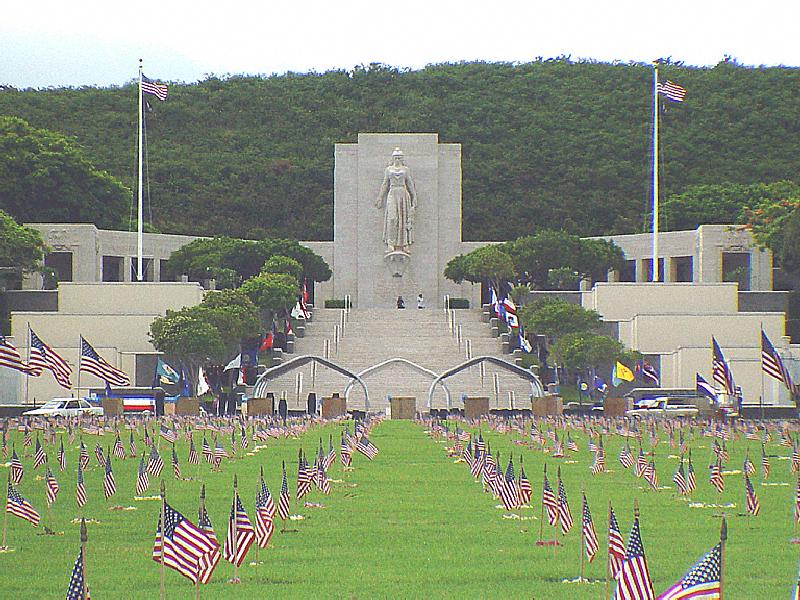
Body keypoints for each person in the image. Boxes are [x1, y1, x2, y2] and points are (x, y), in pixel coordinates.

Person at [376, 147, 416, 253]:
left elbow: (410, 183)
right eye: (396, 157)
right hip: (392, 193)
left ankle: (404, 243)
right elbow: (385, 184)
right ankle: (391, 243)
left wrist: (414, 197)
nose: (397, 159)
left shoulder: (406, 170)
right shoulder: (388, 170)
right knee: (392, 218)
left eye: (399, 157)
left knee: (403, 219)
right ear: (393, 158)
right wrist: (380, 197)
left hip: (403, 194)